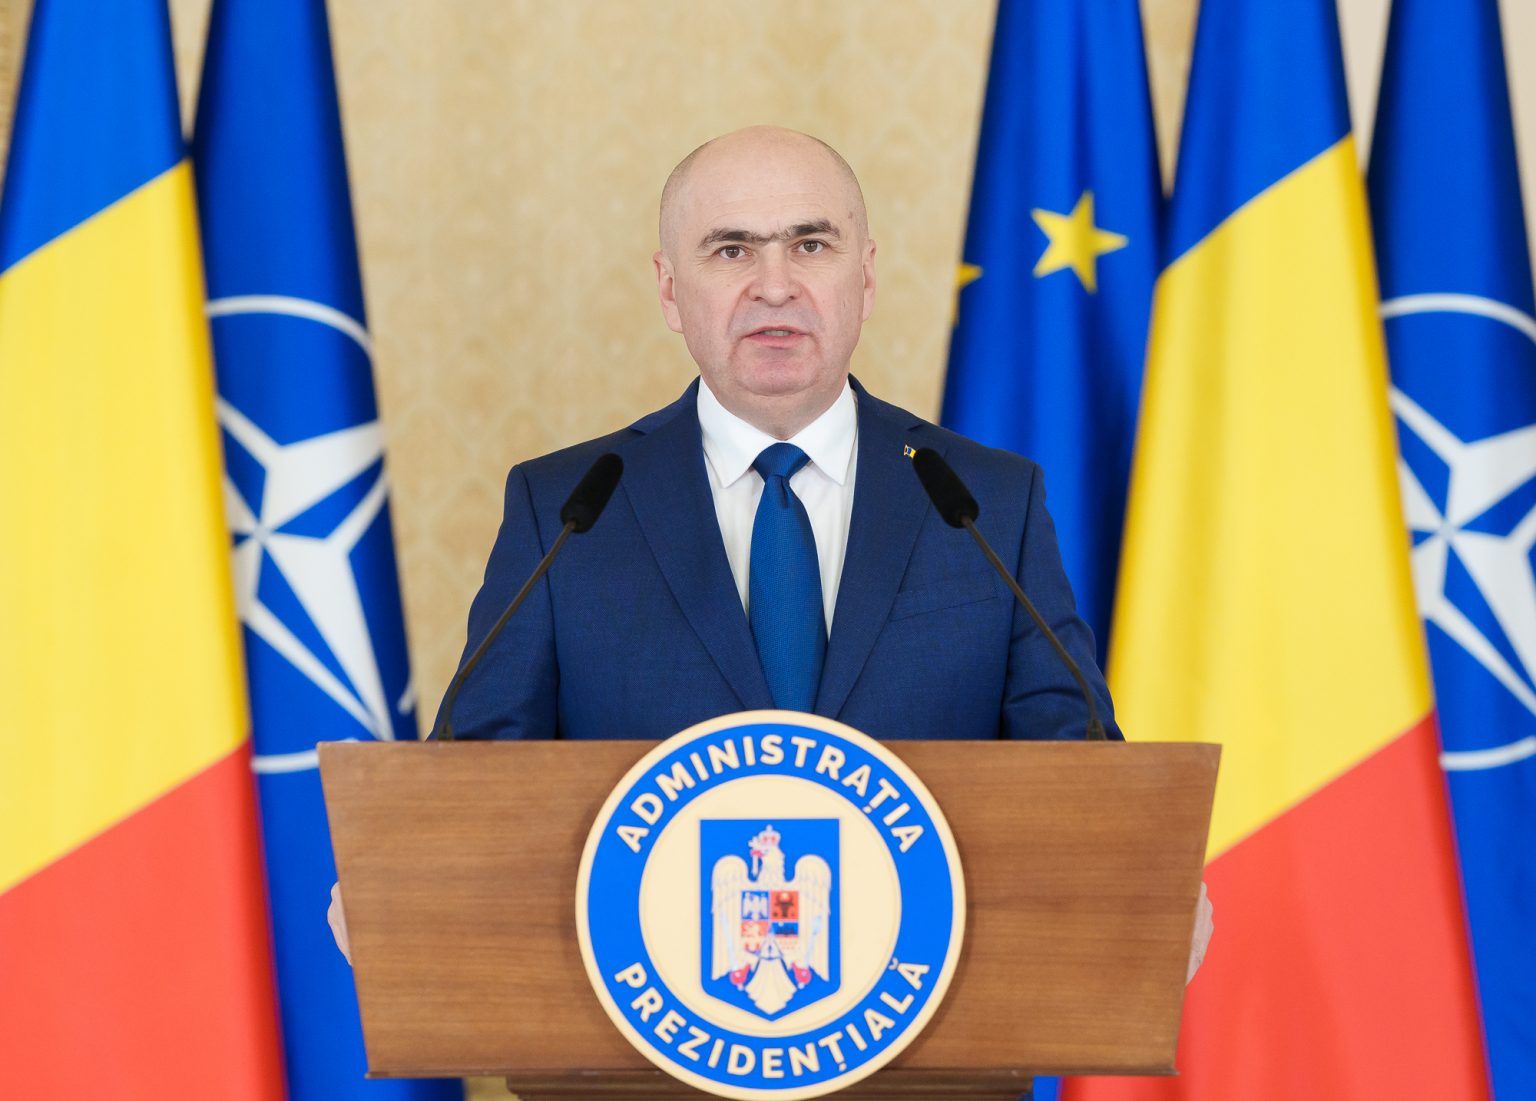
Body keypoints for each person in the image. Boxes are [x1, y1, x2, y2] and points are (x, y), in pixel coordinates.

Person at [330, 125, 1212, 977]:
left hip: (929, 1034)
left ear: (865, 277)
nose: (776, 286)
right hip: (645, 1043)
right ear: (669, 290)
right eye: (732, 250)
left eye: (811, 245)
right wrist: (409, 871)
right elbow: (477, 782)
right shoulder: (569, 508)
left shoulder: (985, 502)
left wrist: (1144, 873)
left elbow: (1076, 768)